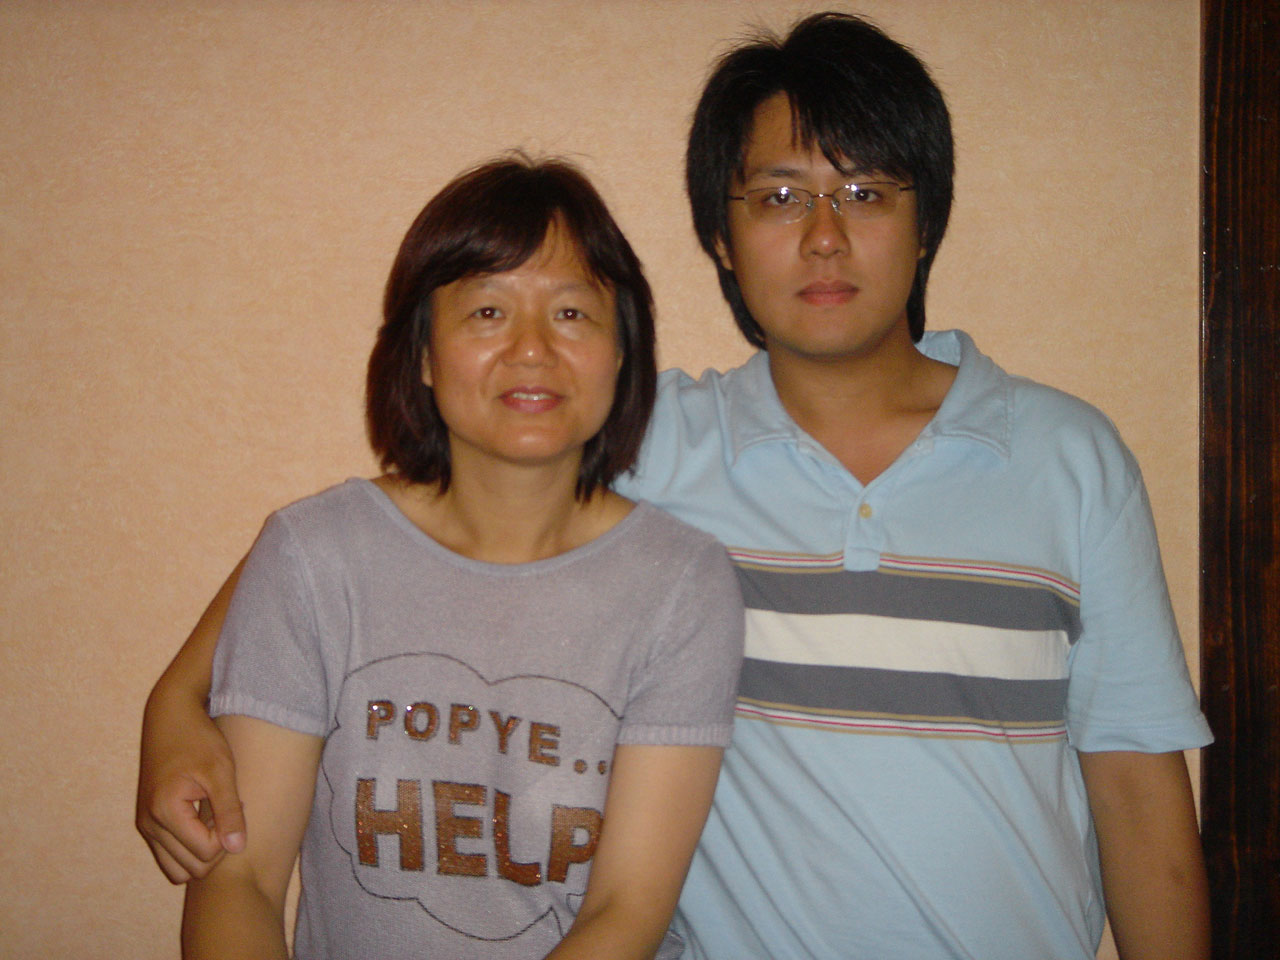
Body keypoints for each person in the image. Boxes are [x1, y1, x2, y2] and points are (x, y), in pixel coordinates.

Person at [138, 12, 1212, 960]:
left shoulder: (1069, 459)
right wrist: (175, 701)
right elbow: (395, 526)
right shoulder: (659, 438)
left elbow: (1138, 795)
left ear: (925, 221)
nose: (824, 236)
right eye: (779, 196)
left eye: (865, 192)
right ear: (720, 237)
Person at [172, 155, 745, 960]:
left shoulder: (680, 583)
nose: (532, 349)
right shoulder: (317, 556)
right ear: (423, 354)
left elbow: (627, 909)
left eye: (572, 313)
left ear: (622, 350)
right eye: (486, 311)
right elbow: (243, 879)